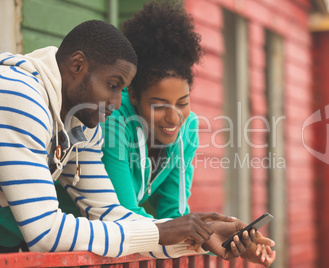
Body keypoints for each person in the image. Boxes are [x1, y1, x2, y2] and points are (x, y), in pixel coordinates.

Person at [0, 19, 271, 261]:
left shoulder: (82, 122)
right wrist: (162, 231)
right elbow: (45, 231)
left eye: (122, 89)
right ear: (77, 65)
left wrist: (203, 236)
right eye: (112, 85)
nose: (117, 103)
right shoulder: (20, 96)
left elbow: (109, 213)